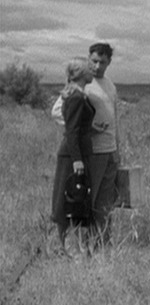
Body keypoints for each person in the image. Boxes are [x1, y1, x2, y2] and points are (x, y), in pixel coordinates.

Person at [51, 57, 95, 255]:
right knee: (70, 197)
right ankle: (66, 246)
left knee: (71, 196)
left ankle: (65, 245)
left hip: (74, 152)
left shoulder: (77, 95)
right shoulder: (77, 97)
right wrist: (77, 159)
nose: (93, 70)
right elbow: (72, 130)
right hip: (72, 154)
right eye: (89, 68)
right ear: (81, 74)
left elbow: (75, 125)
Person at [85, 42, 120, 247]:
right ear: (88, 59)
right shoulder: (83, 83)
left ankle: (103, 243)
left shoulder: (110, 85)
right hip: (93, 150)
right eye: (94, 61)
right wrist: (88, 127)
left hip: (109, 150)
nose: (97, 66)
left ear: (109, 63)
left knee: (106, 202)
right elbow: (60, 113)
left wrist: (118, 150)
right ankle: (84, 244)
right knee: (89, 198)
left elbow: (115, 119)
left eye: (102, 62)